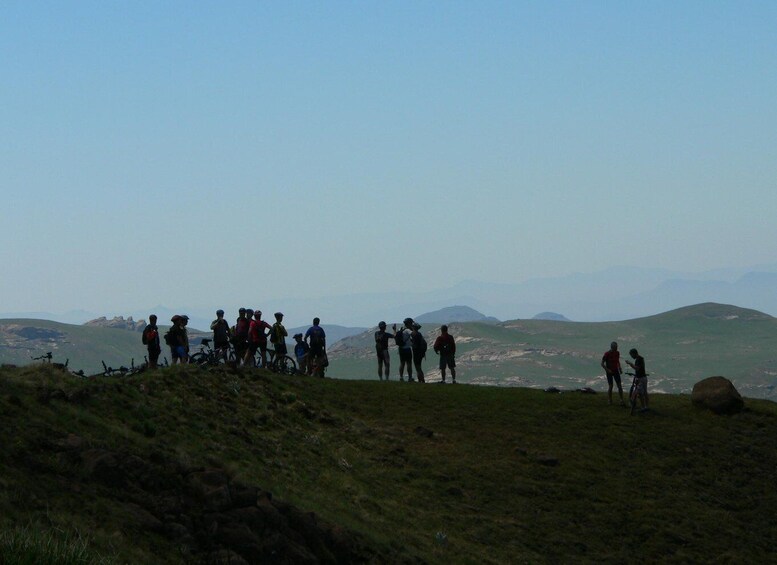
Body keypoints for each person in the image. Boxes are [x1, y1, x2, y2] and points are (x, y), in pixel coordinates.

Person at [626, 348, 649, 414]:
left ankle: (643, 407)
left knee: (639, 393)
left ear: (634, 353)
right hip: (643, 377)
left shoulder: (638, 359)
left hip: (641, 379)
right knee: (644, 393)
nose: (631, 356)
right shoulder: (641, 358)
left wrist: (630, 363)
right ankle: (646, 407)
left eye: (631, 355)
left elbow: (637, 368)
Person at [601, 341, 624, 405]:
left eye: (617, 347)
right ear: (612, 347)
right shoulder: (607, 354)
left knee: (619, 385)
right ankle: (610, 400)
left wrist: (620, 368)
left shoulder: (617, 353)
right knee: (611, 386)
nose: (616, 348)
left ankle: (621, 400)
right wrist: (607, 370)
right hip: (609, 371)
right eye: (615, 347)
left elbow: (617, 361)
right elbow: (602, 364)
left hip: (616, 370)